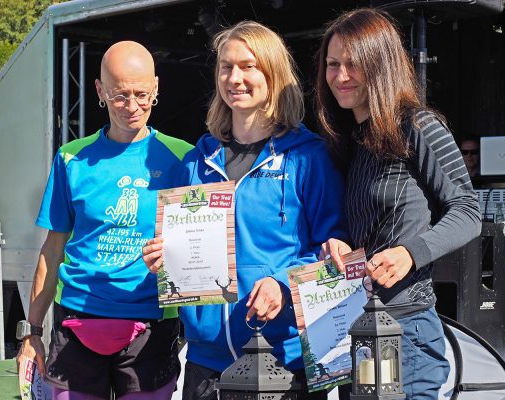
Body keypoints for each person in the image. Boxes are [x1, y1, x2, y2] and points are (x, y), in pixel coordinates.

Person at [143, 21, 348, 400]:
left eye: (248, 66)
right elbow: (183, 254)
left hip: (283, 361)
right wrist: (164, 258)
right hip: (206, 364)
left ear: (272, 73)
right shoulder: (195, 162)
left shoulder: (308, 157)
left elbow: (336, 253)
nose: (234, 77)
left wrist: (284, 286)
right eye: (226, 66)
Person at [314, 9, 482, 400]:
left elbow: (469, 210)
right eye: (333, 64)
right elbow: (361, 224)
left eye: (353, 64)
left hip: (408, 329)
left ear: (381, 63)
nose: (340, 76)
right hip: (356, 327)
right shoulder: (349, 141)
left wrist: (411, 252)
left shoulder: (418, 126)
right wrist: (336, 241)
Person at [16, 41, 193, 400]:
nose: (132, 107)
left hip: (151, 327)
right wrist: (31, 331)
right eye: (120, 96)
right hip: (76, 323)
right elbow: (52, 251)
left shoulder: (183, 159)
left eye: (142, 95)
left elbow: (200, 249)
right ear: (99, 91)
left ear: (156, 87)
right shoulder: (71, 159)